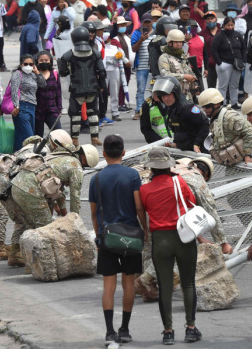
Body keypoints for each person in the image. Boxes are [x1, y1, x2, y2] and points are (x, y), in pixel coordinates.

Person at [138, 146, 202, 345]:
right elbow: (191, 202)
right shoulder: (178, 181)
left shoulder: (144, 189)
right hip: (183, 236)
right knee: (188, 283)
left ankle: (168, 332)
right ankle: (190, 328)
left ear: (151, 168)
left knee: (165, 287)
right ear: (168, 165)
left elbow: (146, 210)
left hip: (160, 240)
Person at [89, 135, 146, 346]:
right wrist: (145, 230)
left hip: (108, 237)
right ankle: (125, 329)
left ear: (103, 153)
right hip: (130, 236)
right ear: (123, 152)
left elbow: (94, 213)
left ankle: (109, 331)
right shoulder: (132, 175)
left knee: (108, 284)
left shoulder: (96, 179)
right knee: (129, 281)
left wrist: (98, 236)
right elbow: (139, 206)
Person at [11, 140, 98, 230]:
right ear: (86, 160)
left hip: (16, 185)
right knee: (46, 229)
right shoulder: (76, 167)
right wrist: (75, 222)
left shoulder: (60, 155)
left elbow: (59, 193)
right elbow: (75, 199)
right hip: (31, 191)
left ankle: (17, 244)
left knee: (28, 226)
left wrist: (64, 212)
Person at [59, 26, 106, 147]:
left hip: (76, 89)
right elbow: (102, 71)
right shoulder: (95, 53)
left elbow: (62, 71)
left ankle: (75, 139)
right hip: (92, 89)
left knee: (75, 115)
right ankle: (94, 138)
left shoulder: (68, 55)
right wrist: (102, 86)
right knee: (93, 114)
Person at [198, 88, 252, 165]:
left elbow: (248, 132)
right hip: (231, 161)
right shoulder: (214, 118)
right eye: (203, 106)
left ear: (217, 104)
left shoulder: (229, 117)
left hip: (244, 161)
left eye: (207, 106)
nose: (204, 109)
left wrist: (248, 156)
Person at [154, 76, 209, 153]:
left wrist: (197, 144)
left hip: (197, 150)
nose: (166, 99)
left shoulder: (187, 108)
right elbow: (179, 129)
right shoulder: (171, 108)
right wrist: (175, 142)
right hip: (183, 148)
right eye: (163, 96)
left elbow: (205, 123)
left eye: (168, 95)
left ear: (175, 93)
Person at [9, 54, 46, 151]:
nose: (28, 66)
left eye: (31, 64)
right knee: (30, 137)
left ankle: (16, 157)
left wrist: (37, 72)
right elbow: (14, 90)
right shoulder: (17, 74)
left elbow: (43, 84)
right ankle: (29, 156)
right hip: (21, 107)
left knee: (21, 136)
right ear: (21, 64)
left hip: (32, 107)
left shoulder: (34, 74)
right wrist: (16, 106)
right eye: (25, 64)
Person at [211, 17, 246, 108]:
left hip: (236, 64)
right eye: (228, 25)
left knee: (234, 85)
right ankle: (223, 103)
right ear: (223, 26)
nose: (230, 27)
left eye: (232, 25)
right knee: (223, 86)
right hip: (224, 63)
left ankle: (234, 103)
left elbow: (243, 48)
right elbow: (214, 50)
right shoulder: (219, 36)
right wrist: (219, 63)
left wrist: (243, 60)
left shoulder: (237, 35)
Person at [158, 29, 198, 103]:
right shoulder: (164, 57)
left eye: (180, 42)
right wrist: (184, 76)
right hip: (173, 94)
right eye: (176, 42)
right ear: (170, 43)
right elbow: (165, 75)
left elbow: (189, 71)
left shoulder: (183, 56)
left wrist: (195, 84)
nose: (179, 44)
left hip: (188, 95)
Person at [131, 13, 156, 120]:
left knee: (152, 89)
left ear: (152, 22)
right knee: (141, 89)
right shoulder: (137, 33)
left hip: (153, 67)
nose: (147, 24)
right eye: (145, 22)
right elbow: (133, 49)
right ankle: (138, 110)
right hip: (141, 66)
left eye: (149, 22)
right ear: (142, 22)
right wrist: (141, 40)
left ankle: (150, 110)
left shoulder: (156, 32)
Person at [34, 51, 62, 136]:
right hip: (37, 111)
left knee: (58, 135)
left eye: (46, 60)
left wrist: (59, 108)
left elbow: (58, 92)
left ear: (50, 61)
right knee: (37, 137)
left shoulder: (55, 73)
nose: (44, 62)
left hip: (52, 110)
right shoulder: (33, 74)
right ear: (37, 62)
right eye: (41, 60)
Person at [201, 11, 220, 90]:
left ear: (216, 19)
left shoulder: (222, 31)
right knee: (211, 88)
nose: (210, 21)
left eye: (212, 18)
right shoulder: (202, 34)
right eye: (208, 19)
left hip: (223, 63)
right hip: (210, 65)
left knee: (225, 87)